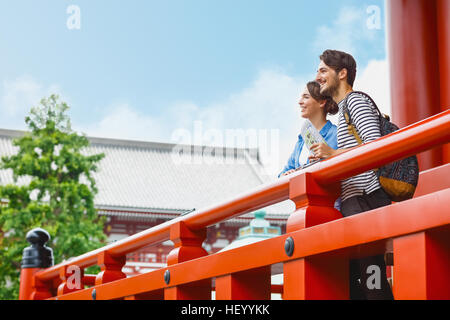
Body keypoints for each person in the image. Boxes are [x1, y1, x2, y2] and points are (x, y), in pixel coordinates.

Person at [311, 49, 394, 300]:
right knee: (356, 278)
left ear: (342, 73)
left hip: (367, 197)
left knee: (371, 275)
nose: (318, 77)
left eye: (324, 70)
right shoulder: (347, 106)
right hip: (354, 200)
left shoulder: (356, 101)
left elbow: (375, 146)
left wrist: (333, 154)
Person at [278, 81, 338, 178]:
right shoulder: (302, 139)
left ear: (322, 102)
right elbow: (283, 173)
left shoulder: (336, 134)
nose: (300, 102)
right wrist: (285, 175)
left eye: (306, 97)